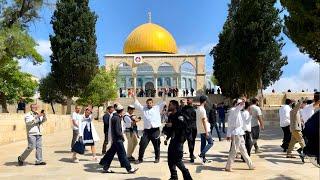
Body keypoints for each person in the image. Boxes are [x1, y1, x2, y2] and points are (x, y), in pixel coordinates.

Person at [99, 105, 138, 174]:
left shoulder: (115, 117)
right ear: (122, 111)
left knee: (111, 154)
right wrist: (122, 137)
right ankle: (129, 169)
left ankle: (105, 167)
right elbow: (117, 131)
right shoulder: (117, 118)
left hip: (115, 139)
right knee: (123, 154)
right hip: (118, 139)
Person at [134, 91, 167, 163]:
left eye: (150, 103)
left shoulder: (157, 107)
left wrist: (165, 93)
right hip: (146, 131)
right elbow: (137, 103)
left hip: (155, 130)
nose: (149, 104)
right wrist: (134, 96)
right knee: (142, 144)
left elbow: (163, 100)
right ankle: (140, 159)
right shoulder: (143, 109)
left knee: (156, 145)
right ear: (146, 104)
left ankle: (157, 158)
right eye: (148, 103)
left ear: (152, 103)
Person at [225, 98, 254, 172]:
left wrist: (228, 134)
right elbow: (231, 125)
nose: (243, 106)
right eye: (241, 104)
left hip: (239, 133)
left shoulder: (237, 112)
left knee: (244, 150)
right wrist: (243, 101)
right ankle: (228, 166)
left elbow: (230, 124)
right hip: (236, 133)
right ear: (237, 104)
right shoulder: (234, 110)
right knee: (234, 150)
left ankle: (251, 165)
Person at [167, 100, 193, 180]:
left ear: (175, 106)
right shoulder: (171, 115)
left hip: (179, 140)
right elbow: (171, 128)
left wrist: (173, 124)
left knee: (177, 160)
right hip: (173, 139)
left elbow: (184, 125)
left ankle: (187, 177)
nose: (169, 106)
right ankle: (174, 177)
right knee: (170, 159)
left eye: (170, 105)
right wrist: (167, 135)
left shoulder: (180, 115)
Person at [196, 95, 213, 164]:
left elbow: (203, 119)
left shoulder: (198, 109)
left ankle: (204, 159)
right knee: (211, 143)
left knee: (203, 144)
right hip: (204, 129)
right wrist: (206, 132)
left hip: (200, 129)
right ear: (205, 101)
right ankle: (202, 154)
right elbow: (203, 120)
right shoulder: (202, 109)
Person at [181, 97, 197, 163]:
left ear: (192, 101)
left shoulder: (195, 108)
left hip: (193, 127)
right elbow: (182, 117)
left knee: (192, 141)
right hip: (187, 128)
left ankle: (192, 153)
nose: (187, 101)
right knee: (189, 141)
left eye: (189, 99)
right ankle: (191, 155)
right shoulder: (184, 108)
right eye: (187, 100)